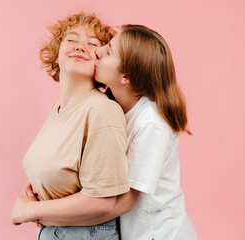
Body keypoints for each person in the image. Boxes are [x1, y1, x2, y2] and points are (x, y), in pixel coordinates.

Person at [13, 24, 197, 240]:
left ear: (125, 77)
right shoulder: (115, 106)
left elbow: (121, 203)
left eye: (108, 51)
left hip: (158, 234)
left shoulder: (151, 124)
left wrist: (39, 213)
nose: (97, 52)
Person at [11, 12, 130, 240]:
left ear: (101, 61)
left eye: (93, 44)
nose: (80, 47)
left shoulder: (102, 111)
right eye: (72, 40)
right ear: (56, 55)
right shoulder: (58, 111)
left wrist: (29, 210)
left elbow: (102, 203)